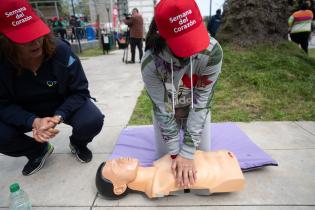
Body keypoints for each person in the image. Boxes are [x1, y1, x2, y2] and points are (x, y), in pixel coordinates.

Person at [0, 0, 104, 176]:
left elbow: (80, 91)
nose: (35, 42)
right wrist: (32, 121)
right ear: (6, 41)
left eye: (36, 32)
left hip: (61, 104)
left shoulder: (61, 51)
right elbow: (2, 105)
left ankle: (78, 143)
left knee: (92, 120)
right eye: (24, 38)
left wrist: (58, 116)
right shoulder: (2, 63)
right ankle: (37, 150)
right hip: (24, 109)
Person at [141, 0, 223, 189]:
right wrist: (174, 153)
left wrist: (187, 152)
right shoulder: (150, 63)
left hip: (195, 109)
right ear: (162, 35)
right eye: (182, 41)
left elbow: (202, 102)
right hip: (167, 111)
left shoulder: (213, 53)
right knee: (166, 166)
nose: (193, 49)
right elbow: (162, 109)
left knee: (202, 168)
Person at [96, 150, 245, 199]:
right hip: (229, 174)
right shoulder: (161, 185)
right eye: (115, 166)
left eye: (114, 160)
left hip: (224, 157)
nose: (120, 159)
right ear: (119, 188)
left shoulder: (159, 163)